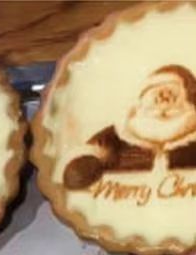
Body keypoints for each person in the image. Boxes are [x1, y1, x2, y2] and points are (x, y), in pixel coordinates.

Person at [63, 65, 196, 190]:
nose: (163, 98)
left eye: (171, 93)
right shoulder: (123, 132)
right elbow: (92, 152)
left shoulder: (191, 135)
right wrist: (85, 165)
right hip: (124, 196)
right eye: (156, 92)